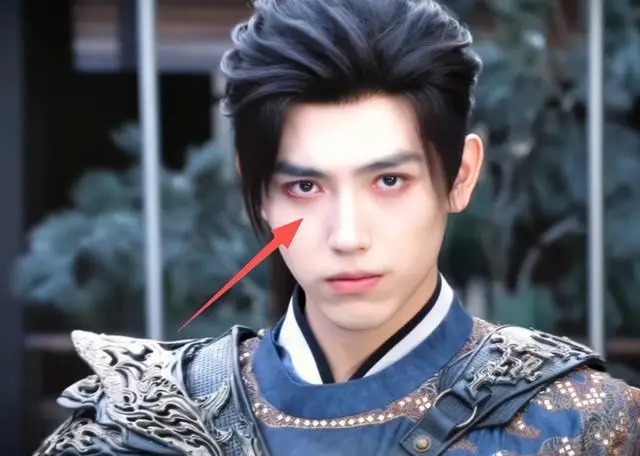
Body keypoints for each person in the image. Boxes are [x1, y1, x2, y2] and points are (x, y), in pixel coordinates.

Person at [34, 0, 640, 455]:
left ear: (460, 176)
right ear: (257, 191)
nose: (347, 236)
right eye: (305, 187)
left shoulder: (585, 424)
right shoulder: (139, 424)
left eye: (389, 181)